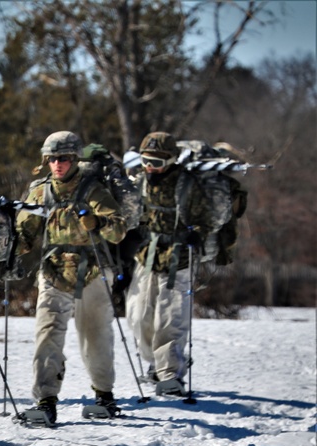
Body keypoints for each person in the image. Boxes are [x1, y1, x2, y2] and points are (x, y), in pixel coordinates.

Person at [14, 131, 127, 425]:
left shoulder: (93, 190)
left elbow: (118, 231)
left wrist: (97, 221)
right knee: (47, 335)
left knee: (95, 335)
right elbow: (24, 236)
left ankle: (104, 395)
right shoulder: (39, 192)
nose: (57, 164)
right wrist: (6, 241)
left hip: (92, 271)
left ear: (75, 159)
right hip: (53, 271)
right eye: (52, 159)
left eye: (63, 158)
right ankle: (45, 400)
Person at [125, 131, 213, 397]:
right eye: (146, 161)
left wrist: (196, 233)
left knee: (170, 319)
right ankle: (155, 363)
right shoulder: (139, 182)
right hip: (147, 256)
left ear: (171, 160)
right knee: (139, 317)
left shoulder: (187, 185)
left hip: (178, 259)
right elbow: (130, 216)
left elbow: (205, 219)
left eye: (157, 163)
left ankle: (170, 374)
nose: (151, 168)